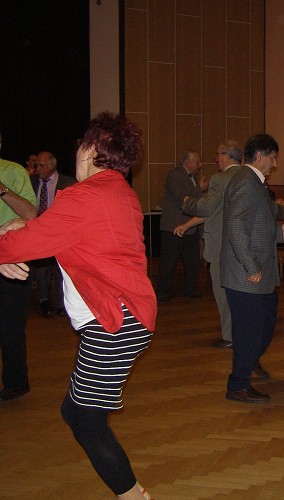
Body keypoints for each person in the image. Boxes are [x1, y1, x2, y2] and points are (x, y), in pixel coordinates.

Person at [0, 112, 157, 499]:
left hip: (113, 324)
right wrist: (18, 231)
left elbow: (27, 243)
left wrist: (8, 244)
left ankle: (134, 496)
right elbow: (55, 230)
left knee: (87, 422)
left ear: (90, 149)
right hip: (126, 317)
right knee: (74, 411)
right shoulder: (118, 190)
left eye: (81, 144)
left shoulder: (83, 196)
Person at [221, 134, 284, 403]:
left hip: (257, 273)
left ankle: (249, 360)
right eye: (273, 158)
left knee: (265, 323)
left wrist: (282, 233)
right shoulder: (246, 181)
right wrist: (250, 265)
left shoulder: (255, 182)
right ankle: (238, 385)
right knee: (250, 330)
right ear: (261, 156)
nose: (275, 164)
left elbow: (258, 226)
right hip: (246, 274)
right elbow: (236, 226)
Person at [180, 141, 243, 349]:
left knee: (223, 293)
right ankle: (242, 333)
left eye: (218, 154)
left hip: (221, 245)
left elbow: (207, 208)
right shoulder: (248, 177)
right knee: (240, 294)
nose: (216, 158)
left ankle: (230, 336)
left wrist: (187, 201)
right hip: (241, 246)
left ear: (227, 155)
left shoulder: (219, 179)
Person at [0, 132, 37, 402]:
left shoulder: (13, 172)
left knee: (10, 326)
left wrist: (1, 189)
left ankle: (16, 382)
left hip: (11, 261)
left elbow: (31, 214)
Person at [154, 150, 207, 303]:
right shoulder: (174, 175)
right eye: (197, 162)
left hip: (190, 227)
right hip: (174, 226)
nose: (200, 165)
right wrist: (199, 189)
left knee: (192, 261)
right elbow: (181, 198)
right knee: (169, 261)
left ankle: (190, 288)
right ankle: (161, 291)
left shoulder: (193, 178)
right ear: (187, 162)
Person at [31, 151, 76, 317]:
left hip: (62, 234)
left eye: (41, 165)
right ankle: (43, 300)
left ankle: (60, 304)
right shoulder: (31, 182)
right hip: (40, 233)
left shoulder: (68, 183)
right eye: (36, 165)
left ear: (51, 165)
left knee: (61, 270)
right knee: (42, 270)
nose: (37, 169)